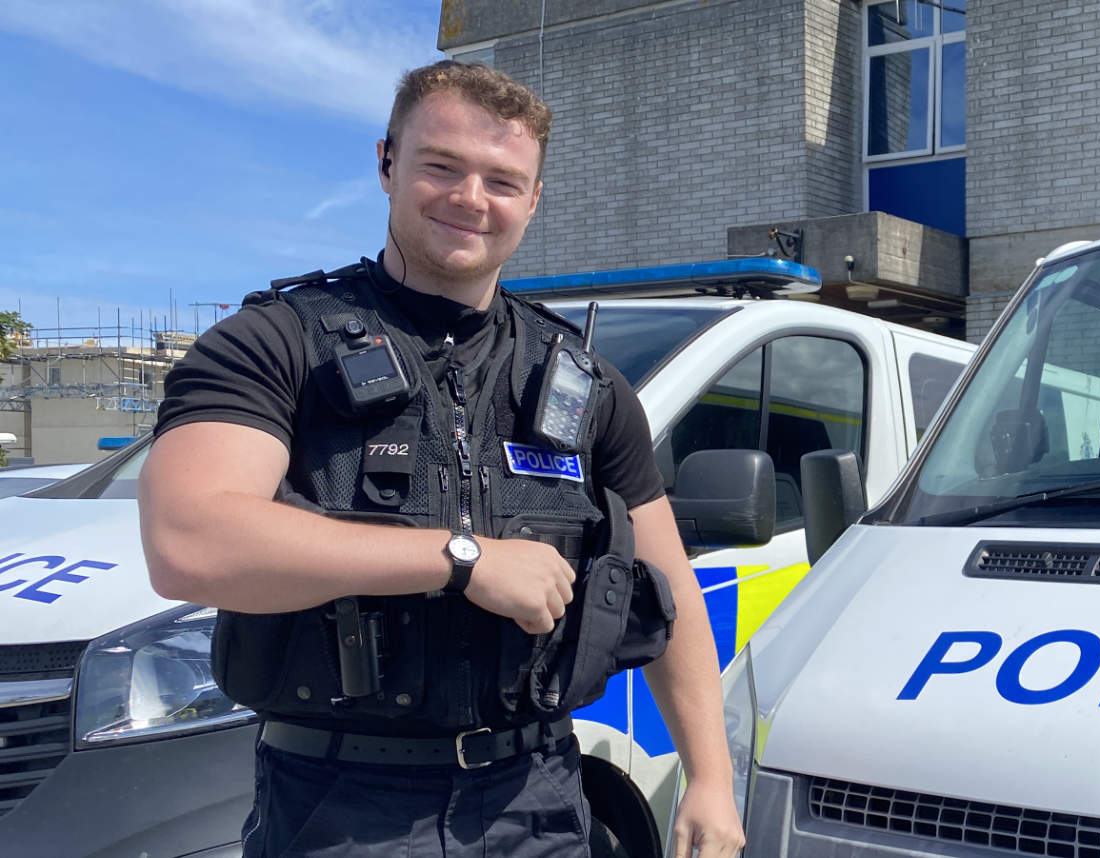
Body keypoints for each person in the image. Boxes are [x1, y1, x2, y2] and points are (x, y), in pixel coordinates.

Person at [139, 61, 745, 858]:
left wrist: (709, 780)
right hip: (340, 809)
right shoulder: (276, 343)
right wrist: (462, 559)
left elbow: (666, 591)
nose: (471, 198)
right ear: (387, 164)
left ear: (533, 200)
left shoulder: (587, 387)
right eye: (442, 166)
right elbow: (189, 540)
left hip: (542, 798)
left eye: (503, 180)